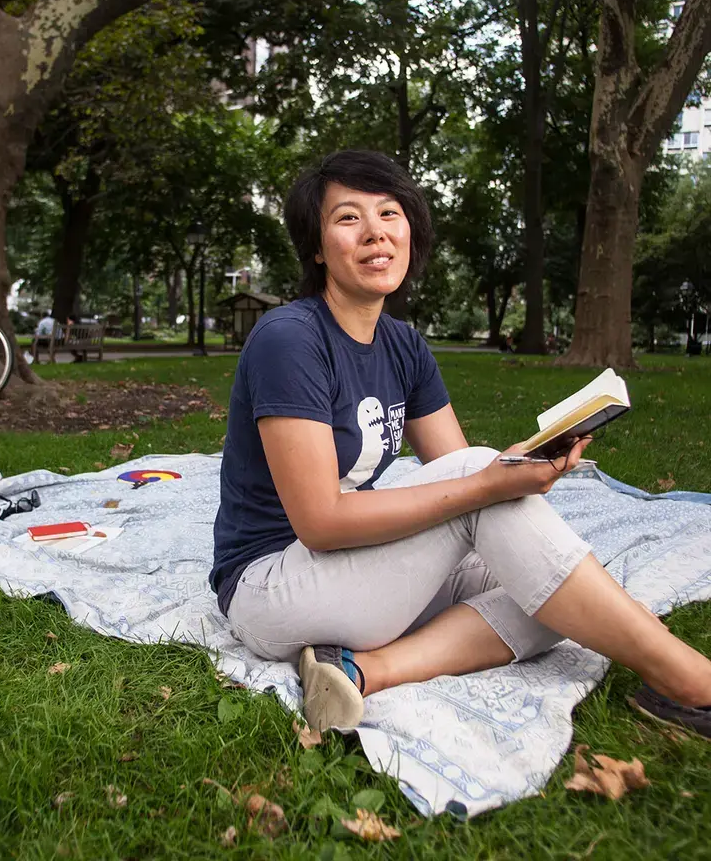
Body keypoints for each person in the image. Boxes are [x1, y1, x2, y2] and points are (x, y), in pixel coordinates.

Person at [210, 150, 711, 737]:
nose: (375, 231)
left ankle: (362, 670)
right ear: (318, 248)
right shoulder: (289, 339)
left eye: (390, 214)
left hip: (353, 575)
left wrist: (526, 462)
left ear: (410, 235)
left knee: (550, 592)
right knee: (497, 509)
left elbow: (456, 473)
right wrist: (486, 480)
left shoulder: (403, 345)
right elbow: (322, 519)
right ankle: (690, 681)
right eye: (348, 218)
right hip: (272, 586)